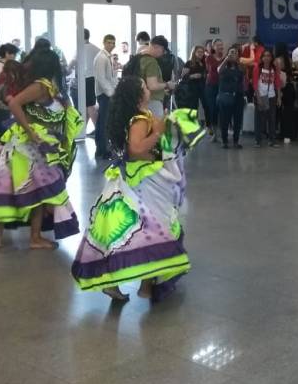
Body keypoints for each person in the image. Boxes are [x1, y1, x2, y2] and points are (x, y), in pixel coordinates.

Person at [72, 77, 203, 301]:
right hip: (145, 180)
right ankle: (145, 286)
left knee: (146, 232)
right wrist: (159, 132)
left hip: (143, 176)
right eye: (144, 86)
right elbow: (136, 149)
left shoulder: (141, 116)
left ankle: (136, 284)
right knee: (155, 230)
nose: (148, 88)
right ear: (137, 94)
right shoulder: (140, 120)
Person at [0, 49, 83, 250]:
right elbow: (15, 104)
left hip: (32, 147)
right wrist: (30, 130)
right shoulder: (40, 86)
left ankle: (8, 232)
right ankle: (31, 236)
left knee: (26, 189)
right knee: (41, 189)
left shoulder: (47, 86)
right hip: (29, 147)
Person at [93, 35, 117, 160]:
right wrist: (111, 93)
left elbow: (110, 77)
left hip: (107, 93)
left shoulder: (108, 57)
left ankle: (102, 149)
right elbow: (101, 78)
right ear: (103, 43)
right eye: (108, 42)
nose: (111, 45)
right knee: (103, 123)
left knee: (104, 122)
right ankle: (102, 150)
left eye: (113, 43)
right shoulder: (101, 58)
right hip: (104, 95)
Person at [217, 46, 245, 149]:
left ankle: (236, 141)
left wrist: (237, 61)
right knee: (225, 119)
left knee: (237, 120)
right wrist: (226, 59)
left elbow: (244, 72)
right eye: (231, 52)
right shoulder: (224, 65)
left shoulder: (240, 66)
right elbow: (219, 71)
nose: (233, 54)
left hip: (238, 95)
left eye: (235, 53)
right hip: (226, 96)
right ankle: (224, 140)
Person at [139, 36, 173, 118]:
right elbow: (152, 86)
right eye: (163, 50)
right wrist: (167, 84)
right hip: (152, 101)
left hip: (140, 100)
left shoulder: (138, 57)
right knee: (156, 129)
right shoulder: (151, 62)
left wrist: (161, 91)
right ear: (158, 47)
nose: (163, 53)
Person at [253, 49, 281, 148]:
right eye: (264, 55)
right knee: (259, 119)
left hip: (271, 96)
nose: (267, 57)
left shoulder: (274, 68)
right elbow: (255, 84)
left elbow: (277, 83)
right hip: (261, 96)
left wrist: (279, 97)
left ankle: (272, 140)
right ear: (262, 58)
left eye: (269, 55)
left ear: (271, 57)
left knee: (272, 119)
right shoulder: (258, 68)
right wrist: (259, 97)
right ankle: (258, 140)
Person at [274, 43, 295, 145]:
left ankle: (280, 133)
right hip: (290, 87)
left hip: (281, 88)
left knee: (279, 112)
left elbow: (277, 76)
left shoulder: (277, 61)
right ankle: (289, 134)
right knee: (288, 112)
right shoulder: (289, 60)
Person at [80, 29, 100, 131]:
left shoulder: (81, 48)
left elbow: (74, 61)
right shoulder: (96, 48)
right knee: (88, 105)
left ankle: (98, 130)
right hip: (94, 79)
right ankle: (82, 130)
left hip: (86, 79)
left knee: (90, 105)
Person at [204, 39, 224, 140]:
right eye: (218, 45)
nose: (220, 47)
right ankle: (215, 133)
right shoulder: (209, 58)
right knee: (213, 109)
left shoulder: (225, 58)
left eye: (221, 45)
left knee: (222, 109)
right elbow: (211, 70)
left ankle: (222, 132)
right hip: (211, 86)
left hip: (222, 86)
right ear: (213, 47)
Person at [176, 45, 206, 114]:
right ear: (194, 53)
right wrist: (192, 76)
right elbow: (182, 76)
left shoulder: (202, 63)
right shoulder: (189, 63)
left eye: (202, 52)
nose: (201, 53)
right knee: (192, 108)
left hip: (200, 88)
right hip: (190, 90)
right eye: (199, 52)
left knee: (196, 107)